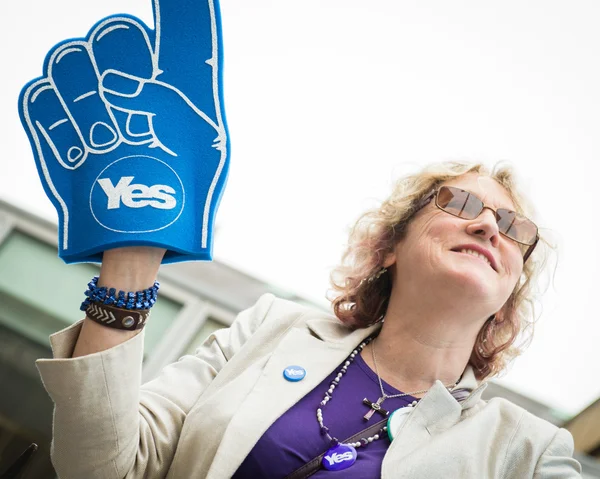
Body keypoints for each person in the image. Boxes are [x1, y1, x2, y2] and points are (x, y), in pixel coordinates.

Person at [36, 161, 583, 478]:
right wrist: (133, 260)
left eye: (513, 228)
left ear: (510, 290)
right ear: (391, 247)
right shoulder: (270, 330)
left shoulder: (529, 453)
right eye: (461, 204)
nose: (489, 226)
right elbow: (101, 465)